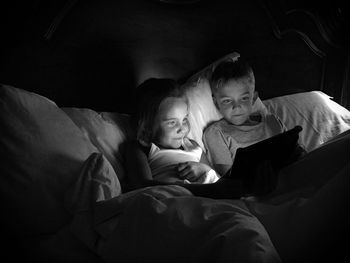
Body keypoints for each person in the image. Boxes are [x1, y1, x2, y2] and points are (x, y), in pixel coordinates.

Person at [125, 78, 276, 199]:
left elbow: (216, 179)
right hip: (176, 201)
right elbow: (143, 186)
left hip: (211, 199)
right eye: (172, 122)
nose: (182, 128)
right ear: (147, 127)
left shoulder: (194, 146)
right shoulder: (140, 148)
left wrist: (205, 169)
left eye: (184, 119)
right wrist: (201, 190)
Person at [203, 57, 306, 177]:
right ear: (216, 103)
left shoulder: (272, 121)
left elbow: (299, 153)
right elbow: (230, 179)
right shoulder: (216, 133)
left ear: (253, 99)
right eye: (227, 101)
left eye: (244, 98)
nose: (236, 107)